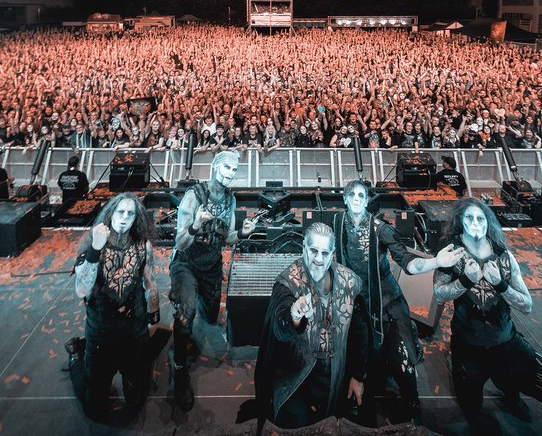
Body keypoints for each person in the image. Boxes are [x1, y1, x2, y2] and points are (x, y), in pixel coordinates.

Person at [433, 197, 542, 423]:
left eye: (480, 218)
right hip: (468, 346)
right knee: (472, 411)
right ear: (460, 221)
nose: (475, 223)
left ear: (488, 222)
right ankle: (497, 387)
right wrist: (465, 280)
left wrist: (500, 285)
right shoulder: (451, 255)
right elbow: (439, 295)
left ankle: (511, 394)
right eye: (469, 217)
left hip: (505, 342)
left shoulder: (504, 256)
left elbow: (527, 305)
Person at [332, 179, 465, 424]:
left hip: (386, 302)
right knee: (357, 360)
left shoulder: (380, 230)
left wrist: (436, 262)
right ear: (345, 200)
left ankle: (412, 406)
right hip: (356, 302)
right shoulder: (338, 222)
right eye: (352, 195)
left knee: (401, 362)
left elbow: (408, 264)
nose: (357, 200)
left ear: (367, 200)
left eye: (361, 195)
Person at [254, 222, 368, 429]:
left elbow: (360, 331)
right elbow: (279, 328)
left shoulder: (349, 282)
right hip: (296, 376)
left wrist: (357, 375)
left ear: (333, 253)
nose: (318, 259)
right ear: (304, 248)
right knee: (295, 425)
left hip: (334, 375)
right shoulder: (288, 282)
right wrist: (294, 314)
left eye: (325, 253)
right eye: (313, 250)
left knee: (330, 424)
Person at [168, 150, 256, 410]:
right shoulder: (194, 195)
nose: (230, 174)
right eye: (227, 168)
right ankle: (179, 368)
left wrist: (243, 233)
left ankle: (190, 337)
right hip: (186, 264)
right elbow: (180, 243)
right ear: (216, 166)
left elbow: (227, 238)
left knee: (209, 316)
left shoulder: (230, 199)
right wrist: (195, 224)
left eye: (234, 170)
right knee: (186, 312)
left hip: (212, 266)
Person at [68, 192, 160, 421]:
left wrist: (154, 315)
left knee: (137, 399)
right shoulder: (93, 240)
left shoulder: (143, 245)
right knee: (94, 407)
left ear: (136, 218)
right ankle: (76, 357)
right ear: (111, 214)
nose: (125, 218)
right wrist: (95, 249)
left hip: (133, 325)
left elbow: (150, 282)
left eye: (130, 214)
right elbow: (81, 289)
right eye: (120, 212)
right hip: (101, 328)